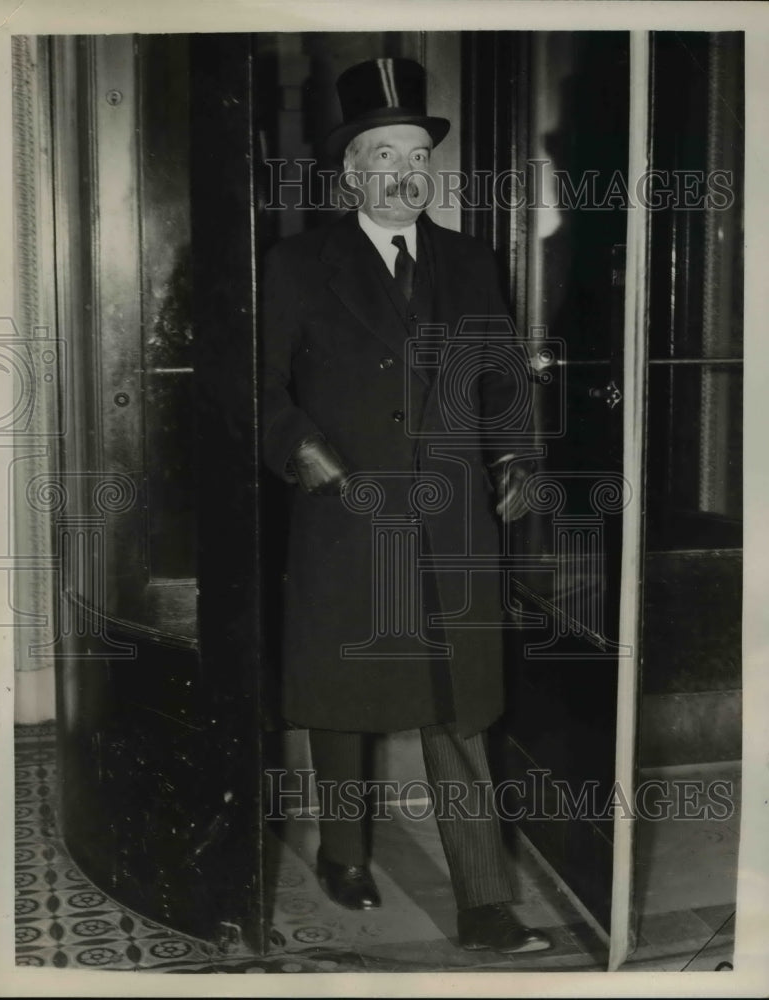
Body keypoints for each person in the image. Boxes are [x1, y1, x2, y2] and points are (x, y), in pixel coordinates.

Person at [261, 57, 551, 954]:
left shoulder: (469, 261)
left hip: (454, 517)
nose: (405, 172)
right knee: (343, 699)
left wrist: (512, 453)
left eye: (418, 154)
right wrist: (301, 451)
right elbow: (253, 386)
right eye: (384, 154)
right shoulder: (298, 264)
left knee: (460, 706)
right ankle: (343, 849)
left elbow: (499, 377)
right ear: (352, 171)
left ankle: (485, 898)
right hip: (345, 511)